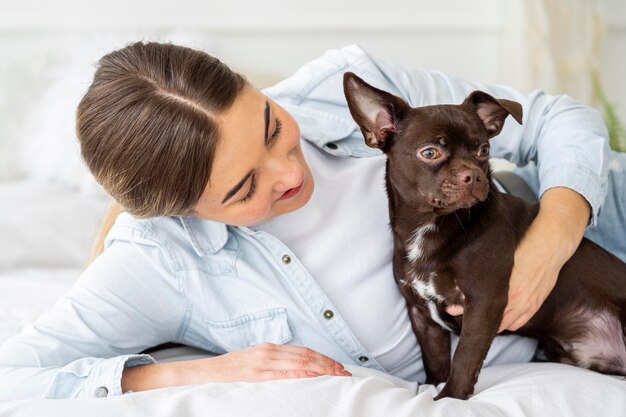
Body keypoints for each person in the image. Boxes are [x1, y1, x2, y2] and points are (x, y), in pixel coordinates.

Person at [0, 42, 624, 400]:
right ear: (178, 212)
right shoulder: (158, 261)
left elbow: (554, 118)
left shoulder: (339, 86)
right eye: (245, 188)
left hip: (604, 228)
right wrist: (192, 372)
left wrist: (552, 236)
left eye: (272, 127)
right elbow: (13, 380)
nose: (287, 174)